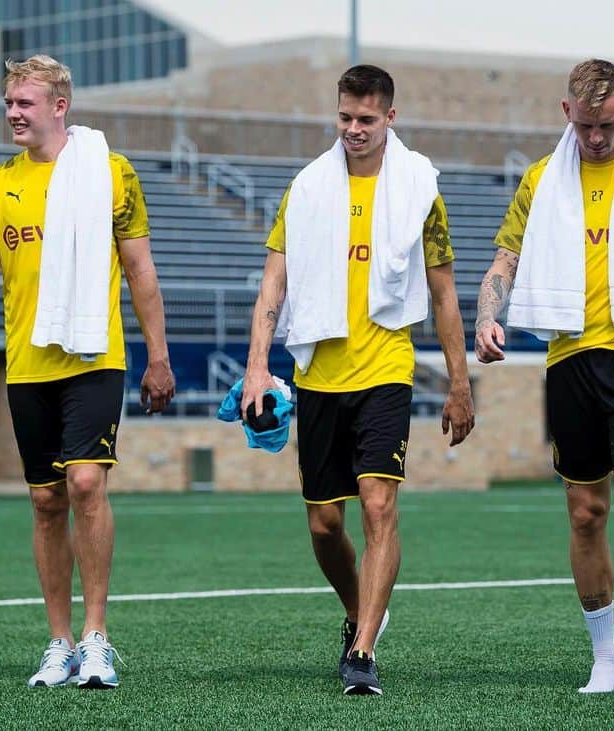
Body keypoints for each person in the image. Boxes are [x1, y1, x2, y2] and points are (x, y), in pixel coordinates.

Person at [0, 55, 175, 689]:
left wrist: (158, 355)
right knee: (46, 500)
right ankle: (60, 642)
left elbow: (141, 271)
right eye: (9, 102)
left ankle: (97, 638)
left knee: (85, 486)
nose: (13, 113)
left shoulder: (111, 173)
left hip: (96, 356)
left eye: (25, 103)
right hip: (27, 364)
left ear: (59, 106)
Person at [241, 64, 475, 696]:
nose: (353, 129)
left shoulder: (420, 189)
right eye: (345, 117)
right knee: (324, 523)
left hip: (385, 370)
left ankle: (364, 651)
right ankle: (357, 609)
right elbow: (274, 281)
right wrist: (258, 365)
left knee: (378, 502)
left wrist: (459, 383)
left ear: (389, 118)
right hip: (318, 374)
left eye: (366, 119)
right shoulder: (307, 188)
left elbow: (445, 291)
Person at [475, 59, 614, 701]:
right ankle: (603, 657)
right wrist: (490, 315)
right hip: (569, 359)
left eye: (607, 124)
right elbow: (504, 261)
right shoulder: (541, 180)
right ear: (564, 112)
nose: (597, 138)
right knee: (585, 513)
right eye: (586, 125)